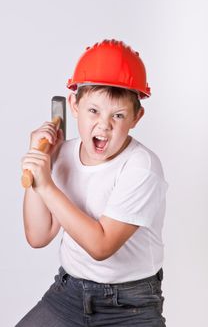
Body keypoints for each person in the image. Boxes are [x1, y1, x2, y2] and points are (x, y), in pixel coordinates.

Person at [16, 39, 168, 326]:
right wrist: (41, 159)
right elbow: (38, 236)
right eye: (93, 111)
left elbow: (101, 246)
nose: (104, 125)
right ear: (74, 105)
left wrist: (47, 185)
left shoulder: (141, 167)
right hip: (69, 293)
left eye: (118, 115)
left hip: (130, 305)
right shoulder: (62, 153)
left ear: (137, 116)